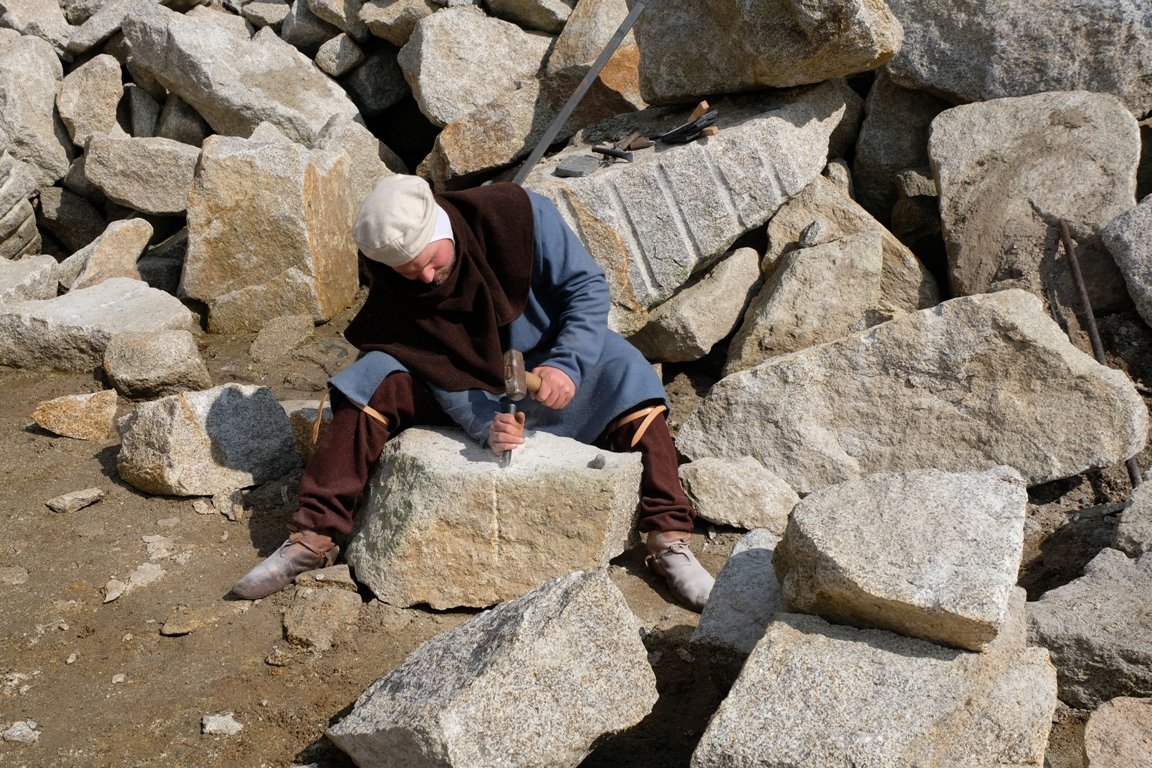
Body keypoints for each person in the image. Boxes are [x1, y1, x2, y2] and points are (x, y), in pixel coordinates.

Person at [231, 175, 714, 610]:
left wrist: (566, 364)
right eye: (407, 271)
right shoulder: (394, 280)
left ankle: (669, 540)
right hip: (459, 379)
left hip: (546, 356)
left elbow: (585, 289)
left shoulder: (518, 216)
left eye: (430, 261)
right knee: (370, 379)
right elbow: (432, 361)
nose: (423, 278)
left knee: (629, 374)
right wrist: (485, 422)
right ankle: (314, 535)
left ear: (442, 229)